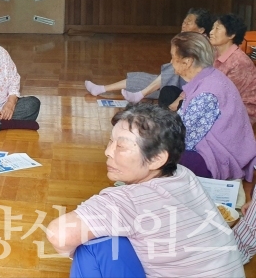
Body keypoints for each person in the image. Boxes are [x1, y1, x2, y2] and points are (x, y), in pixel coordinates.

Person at [46, 103, 245, 278]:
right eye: (110, 141)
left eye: (121, 146)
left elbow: (59, 233)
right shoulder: (184, 175)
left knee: (94, 245)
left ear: (157, 159)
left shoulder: (126, 202)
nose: (107, 151)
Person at [169, 32, 256, 183]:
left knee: (160, 157)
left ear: (187, 61)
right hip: (218, 150)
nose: (170, 61)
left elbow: (185, 139)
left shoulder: (207, 93)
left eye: (173, 56)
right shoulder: (209, 76)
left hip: (221, 159)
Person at [85, 8, 212, 106]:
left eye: (188, 23)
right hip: (175, 82)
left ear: (201, 30)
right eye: (184, 21)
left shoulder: (202, 47)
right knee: (144, 78)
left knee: (169, 72)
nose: (184, 25)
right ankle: (101, 89)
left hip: (183, 87)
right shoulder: (186, 41)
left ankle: (140, 94)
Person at [209, 14, 256, 124]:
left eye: (217, 28)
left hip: (240, 112)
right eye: (212, 28)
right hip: (218, 103)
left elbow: (227, 97)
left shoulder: (239, 62)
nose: (211, 32)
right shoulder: (215, 53)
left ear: (231, 35)